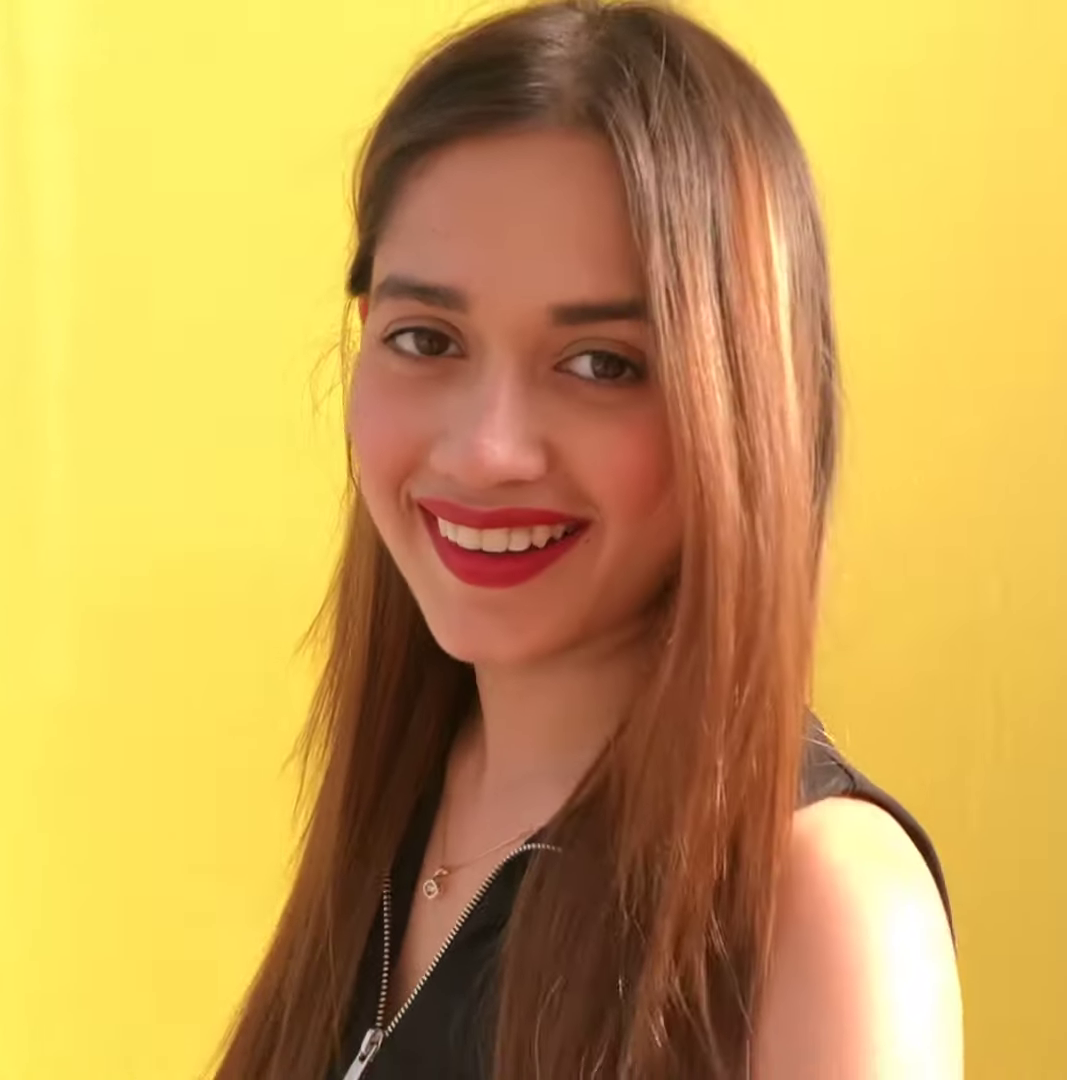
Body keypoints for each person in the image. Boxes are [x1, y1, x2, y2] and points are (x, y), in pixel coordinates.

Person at [211, 2, 962, 1077]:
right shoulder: (412, 793)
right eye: (427, 340)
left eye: (603, 364)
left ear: (745, 399)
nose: (487, 451)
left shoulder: (824, 904)